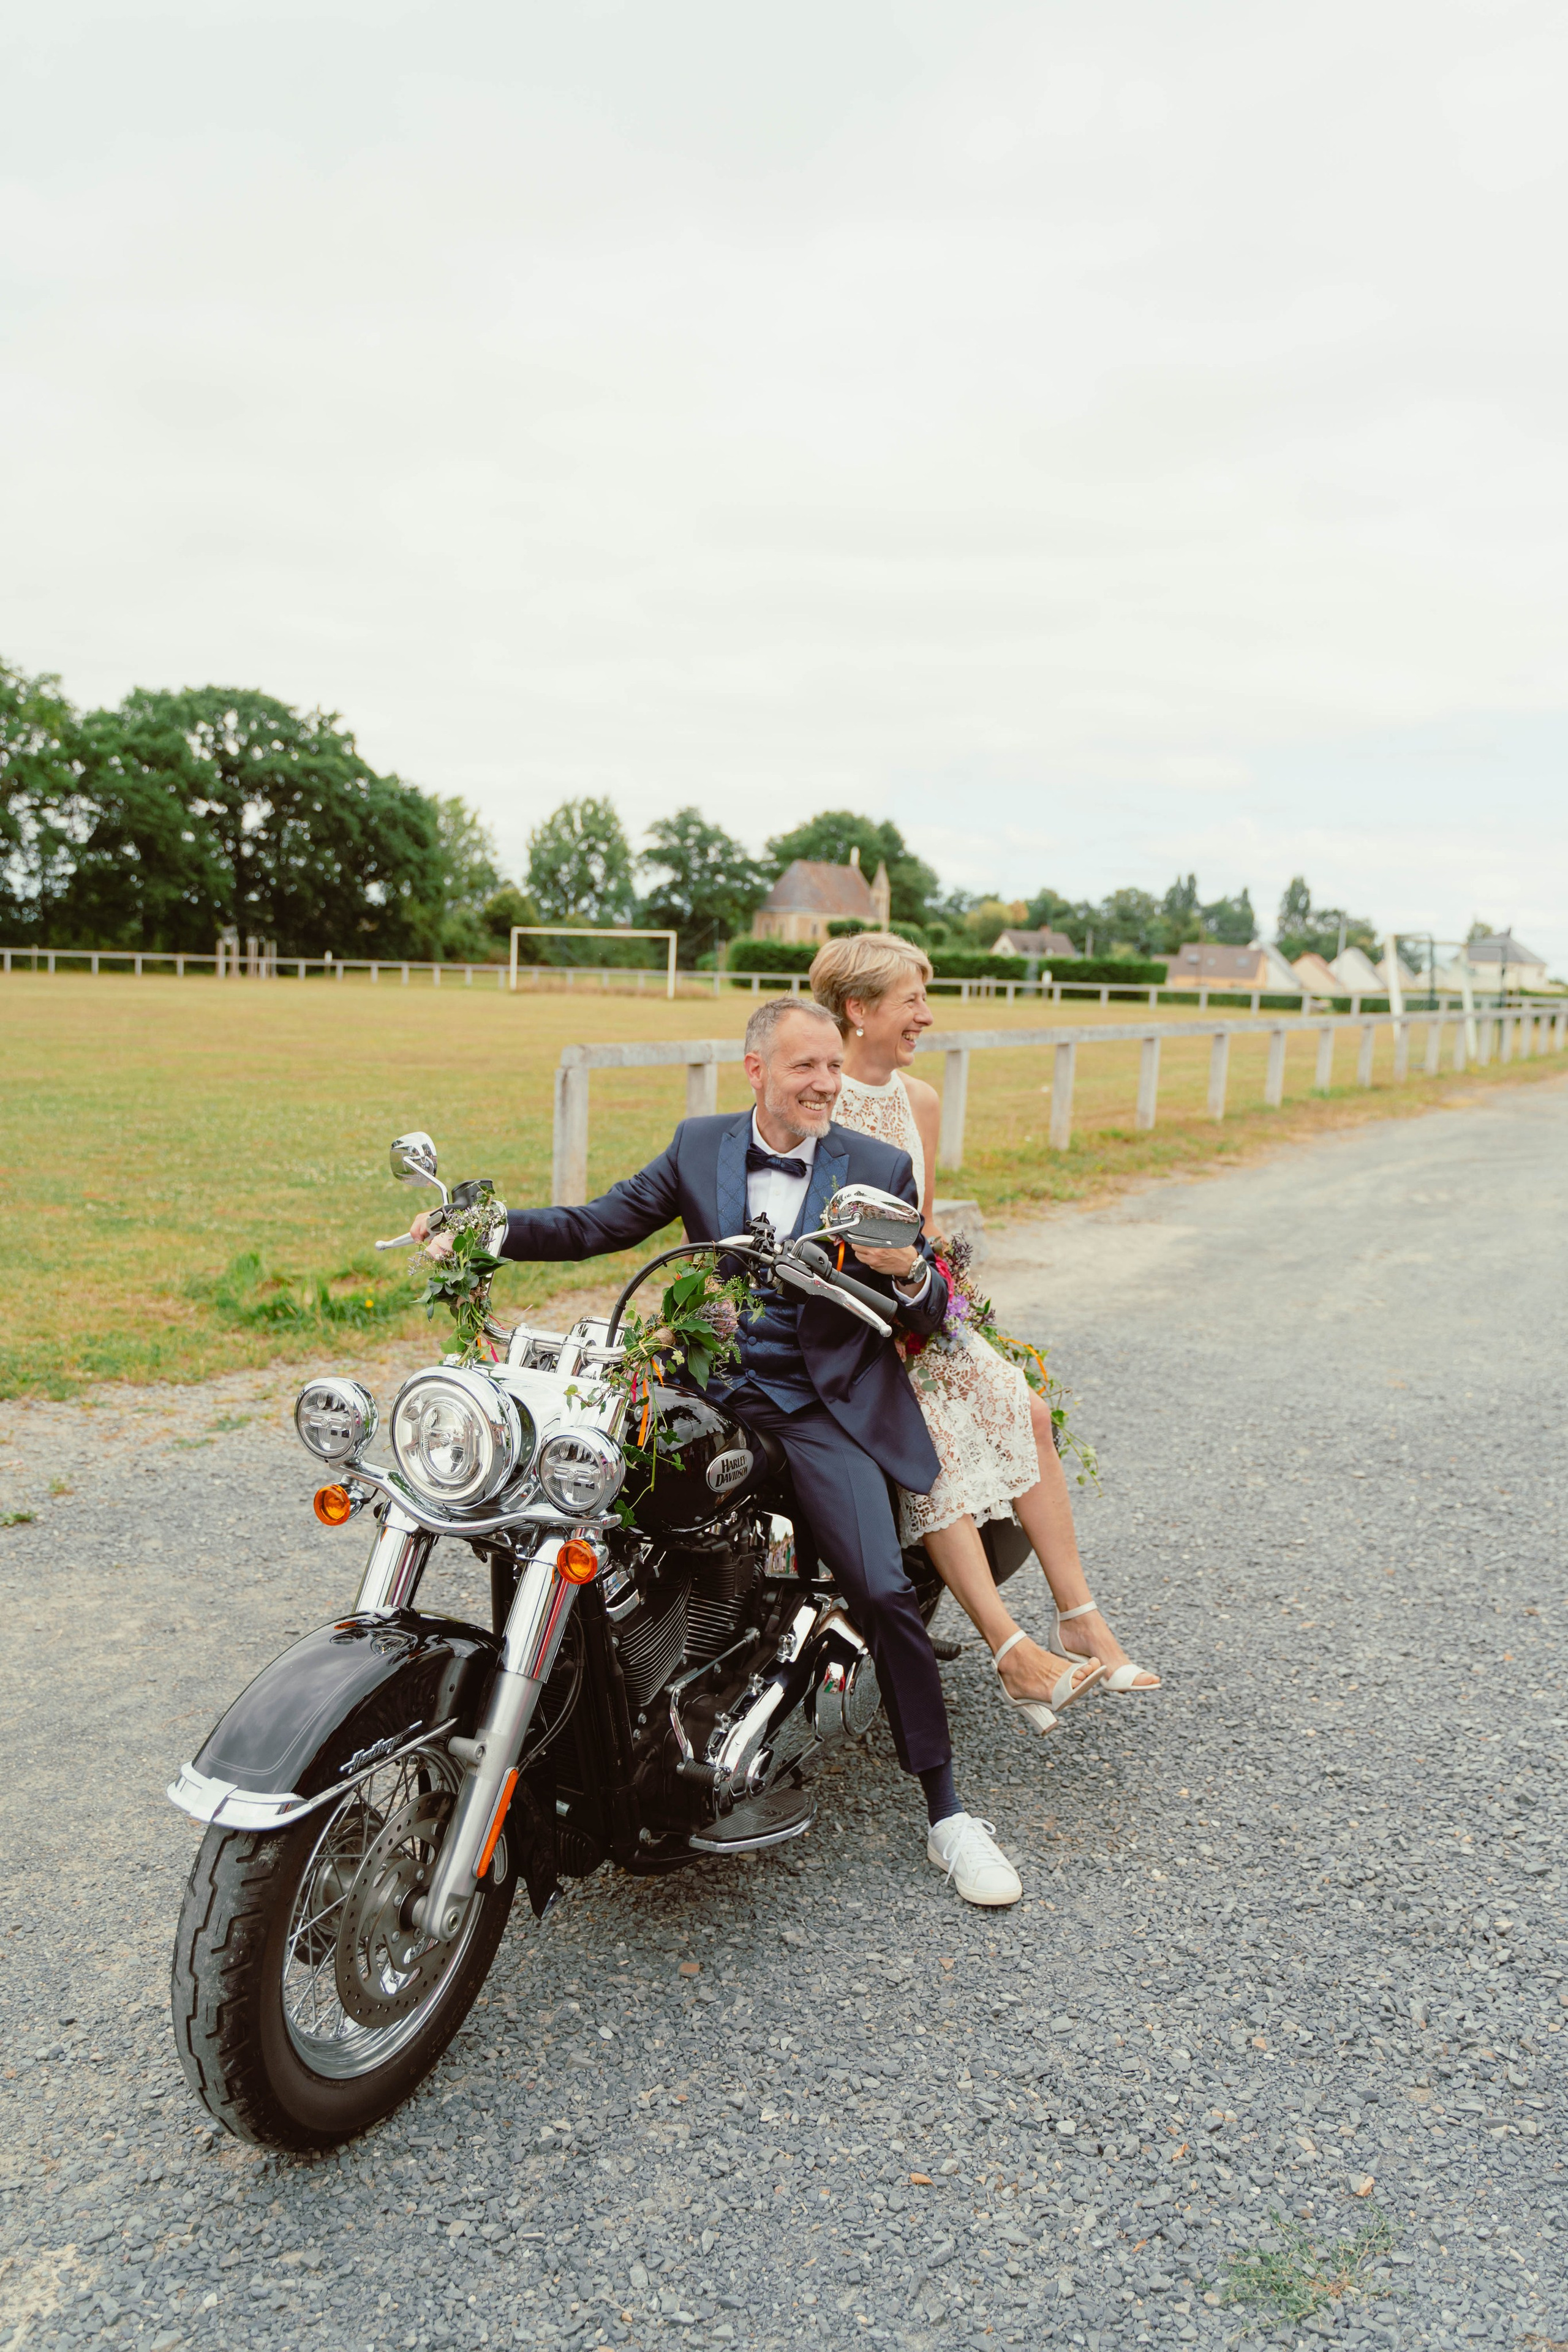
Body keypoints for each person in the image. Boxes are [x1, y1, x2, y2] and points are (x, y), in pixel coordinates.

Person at [417, 995, 1023, 1907]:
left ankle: (947, 1813)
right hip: (708, 1390)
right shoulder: (700, 1145)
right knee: (567, 1509)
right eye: (803, 1068)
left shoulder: (878, 1167)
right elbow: (599, 1225)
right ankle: (602, 1723)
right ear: (757, 1072)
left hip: (824, 1406)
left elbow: (930, 1311)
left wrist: (907, 1273)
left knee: (882, 1589)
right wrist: (488, 1231)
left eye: (830, 1066)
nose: (824, 1084)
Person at [809, 930, 1161, 1722]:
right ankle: (1010, 1651)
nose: (926, 1017)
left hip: (917, 1307)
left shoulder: (919, 1102)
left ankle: (1079, 1617)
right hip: (849, 1329)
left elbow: (925, 1225)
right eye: (912, 1001)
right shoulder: (818, 1100)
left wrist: (942, 1304)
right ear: (859, 1011)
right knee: (943, 1444)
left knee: (1026, 1409)